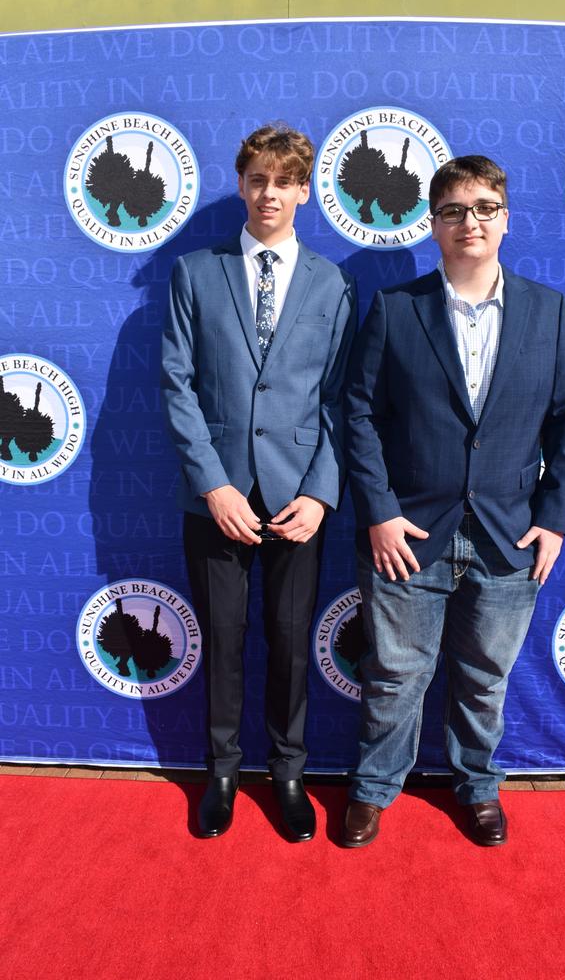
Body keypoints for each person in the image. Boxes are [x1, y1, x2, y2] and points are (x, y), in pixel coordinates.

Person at [342, 155, 565, 847]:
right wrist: (381, 512)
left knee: (485, 678)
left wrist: (553, 519)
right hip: (409, 533)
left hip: (509, 534)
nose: (468, 222)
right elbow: (357, 414)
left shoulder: (549, 311)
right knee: (394, 677)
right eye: (453, 210)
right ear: (433, 224)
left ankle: (477, 786)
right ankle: (372, 790)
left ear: (505, 220)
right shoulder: (396, 310)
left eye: (483, 208)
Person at [162, 123, 356, 841]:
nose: (269, 193)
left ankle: (288, 771)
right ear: (242, 184)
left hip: (299, 498)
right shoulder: (194, 273)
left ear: (305, 190)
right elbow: (177, 385)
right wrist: (213, 486)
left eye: (284, 181)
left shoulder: (333, 283)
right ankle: (220, 770)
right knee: (223, 636)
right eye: (257, 179)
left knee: (289, 638)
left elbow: (341, 397)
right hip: (215, 496)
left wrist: (319, 493)